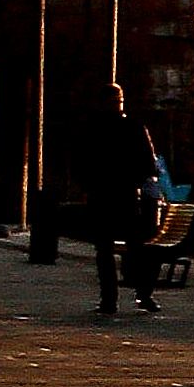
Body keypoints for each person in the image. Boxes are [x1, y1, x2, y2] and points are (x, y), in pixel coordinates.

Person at [79, 83, 163, 317]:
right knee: (136, 248)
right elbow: (149, 164)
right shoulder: (134, 127)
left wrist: (88, 185)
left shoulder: (92, 129)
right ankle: (143, 295)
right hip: (127, 195)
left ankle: (109, 299)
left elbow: (81, 161)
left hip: (103, 195)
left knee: (104, 250)